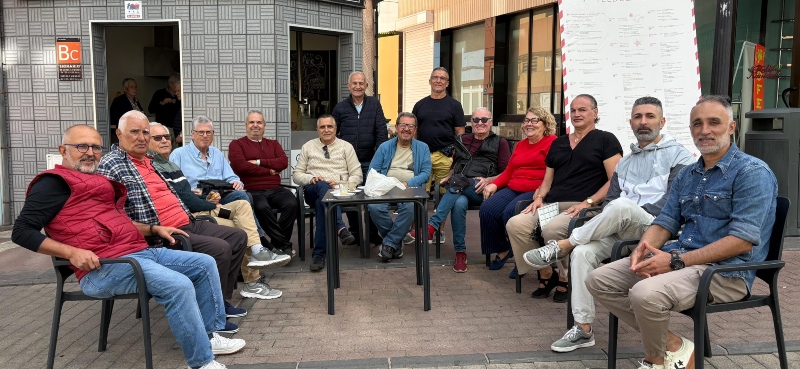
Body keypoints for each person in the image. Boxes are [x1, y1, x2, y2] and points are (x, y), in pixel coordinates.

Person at [12, 125, 245, 369]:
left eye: (95, 147)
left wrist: (154, 229)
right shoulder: (52, 184)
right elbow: (22, 231)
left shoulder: (98, 180)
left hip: (137, 253)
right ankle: (200, 362)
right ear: (63, 150)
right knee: (178, 284)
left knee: (205, 263)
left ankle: (209, 336)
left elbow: (119, 221)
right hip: (104, 267)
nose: (90, 152)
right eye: (82, 146)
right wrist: (71, 253)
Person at [586, 95, 778, 369]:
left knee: (644, 294)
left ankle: (656, 360)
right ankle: (676, 348)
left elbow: (743, 241)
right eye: (697, 124)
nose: (704, 130)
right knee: (599, 279)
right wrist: (643, 248)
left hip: (726, 273)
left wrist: (675, 261)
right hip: (682, 260)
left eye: (714, 122)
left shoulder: (752, 172)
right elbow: (665, 221)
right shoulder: (689, 174)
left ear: (732, 127)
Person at [520, 97, 694, 353]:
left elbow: (672, 206)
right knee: (583, 252)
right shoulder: (626, 161)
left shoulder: (679, 156)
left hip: (657, 230)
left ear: (662, 121)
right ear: (631, 122)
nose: (643, 122)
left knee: (622, 207)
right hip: (622, 229)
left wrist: (624, 213)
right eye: (638, 117)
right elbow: (610, 201)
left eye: (650, 116)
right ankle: (583, 328)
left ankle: (564, 244)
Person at [97, 110, 249, 333]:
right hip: (162, 233)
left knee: (238, 237)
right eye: (135, 132)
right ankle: (210, 315)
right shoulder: (112, 165)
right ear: (119, 133)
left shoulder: (151, 162)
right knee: (220, 248)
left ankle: (221, 303)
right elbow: (110, 214)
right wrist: (153, 229)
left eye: (146, 133)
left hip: (187, 220)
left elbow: (182, 195)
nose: (142, 137)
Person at [148, 122, 287, 300]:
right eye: (157, 138)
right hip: (199, 213)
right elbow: (185, 197)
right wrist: (208, 202)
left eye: (167, 137)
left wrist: (231, 185)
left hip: (213, 204)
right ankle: (253, 277)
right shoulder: (174, 158)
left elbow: (230, 177)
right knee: (238, 224)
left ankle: (258, 248)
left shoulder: (176, 164)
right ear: (192, 133)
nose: (164, 141)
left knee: (242, 205)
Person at [506, 94, 622, 303]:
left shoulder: (606, 140)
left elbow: (615, 180)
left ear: (595, 113)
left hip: (585, 206)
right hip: (553, 203)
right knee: (516, 224)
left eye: (583, 110)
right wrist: (539, 197)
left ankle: (566, 277)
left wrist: (589, 202)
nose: (576, 114)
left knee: (552, 228)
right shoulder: (558, 143)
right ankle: (545, 273)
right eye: (573, 110)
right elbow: (547, 180)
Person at [410, 107, 509, 272]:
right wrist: (450, 175)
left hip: (482, 189)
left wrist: (489, 180)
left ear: (490, 122)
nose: (480, 123)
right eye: (476, 120)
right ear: (472, 122)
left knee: (457, 186)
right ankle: (460, 253)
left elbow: (506, 171)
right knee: (458, 203)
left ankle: (432, 225)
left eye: (484, 120)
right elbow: (455, 164)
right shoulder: (462, 139)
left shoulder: (500, 142)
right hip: (460, 188)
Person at [479, 107, 557, 273]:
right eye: (527, 120)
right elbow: (509, 171)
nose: (529, 124)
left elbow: (555, 172)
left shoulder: (552, 142)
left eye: (534, 120)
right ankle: (505, 248)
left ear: (545, 124)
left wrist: (541, 192)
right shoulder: (521, 145)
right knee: (487, 209)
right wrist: (495, 184)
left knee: (510, 213)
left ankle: (522, 260)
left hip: (535, 190)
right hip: (514, 188)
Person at [291, 115, 362, 272]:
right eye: (322, 127)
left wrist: (341, 184)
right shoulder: (308, 146)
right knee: (323, 187)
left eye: (330, 126)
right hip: (312, 189)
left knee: (322, 203)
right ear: (317, 130)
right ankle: (340, 227)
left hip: (338, 192)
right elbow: (297, 175)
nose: (326, 130)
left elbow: (357, 175)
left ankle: (319, 255)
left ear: (335, 129)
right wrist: (312, 178)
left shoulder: (346, 147)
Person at [228, 110, 298, 257]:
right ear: (246, 125)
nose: (255, 125)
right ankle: (284, 245)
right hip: (252, 190)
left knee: (292, 203)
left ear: (264, 126)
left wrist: (258, 162)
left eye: (259, 122)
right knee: (261, 207)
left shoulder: (273, 144)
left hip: (276, 189)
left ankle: (277, 244)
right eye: (252, 122)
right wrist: (269, 171)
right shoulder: (237, 144)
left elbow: (283, 162)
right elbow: (240, 166)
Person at [332, 71, 388, 245]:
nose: (357, 86)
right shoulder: (340, 108)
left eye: (361, 83)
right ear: (349, 86)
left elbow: (381, 131)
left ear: (366, 86)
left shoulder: (374, 104)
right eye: (354, 83)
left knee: (371, 196)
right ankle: (355, 232)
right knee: (350, 197)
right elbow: (333, 133)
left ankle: (372, 234)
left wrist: (379, 155)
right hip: (347, 163)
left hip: (370, 160)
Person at [367, 112, 432, 262]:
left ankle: (389, 243)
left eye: (411, 126)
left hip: (410, 188)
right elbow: (373, 171)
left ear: (415, 129)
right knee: (374, 206)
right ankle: (395, 242)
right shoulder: (384, 147)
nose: (406, 129)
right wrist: (386, 183)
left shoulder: (423, 148)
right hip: (386, 188)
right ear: (396, 127)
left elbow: (425, 173)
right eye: (403, 125)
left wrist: (407, 183)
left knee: (410, 206)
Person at [412, 67, 466, 192]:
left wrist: (456, 154)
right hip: (423, 154)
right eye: (435, 77)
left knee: (444, 191)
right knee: (419, 191)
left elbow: (460, 132)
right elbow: (414, 130)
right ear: (430, 81)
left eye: (442, 78)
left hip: (445, 155)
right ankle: (421, 212)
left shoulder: (455, 105)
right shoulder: (419, 105)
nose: (438, 80)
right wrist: (414, 151)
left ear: (447, 83)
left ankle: (439, 211)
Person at [148, 73, 182, 137]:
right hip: (163, 127)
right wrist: (162, 103)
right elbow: (151, 109)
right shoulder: (159, 93)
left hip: (178, 128)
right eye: (177, 83)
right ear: (171, 84)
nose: (179, 85)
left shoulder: (181, 95)